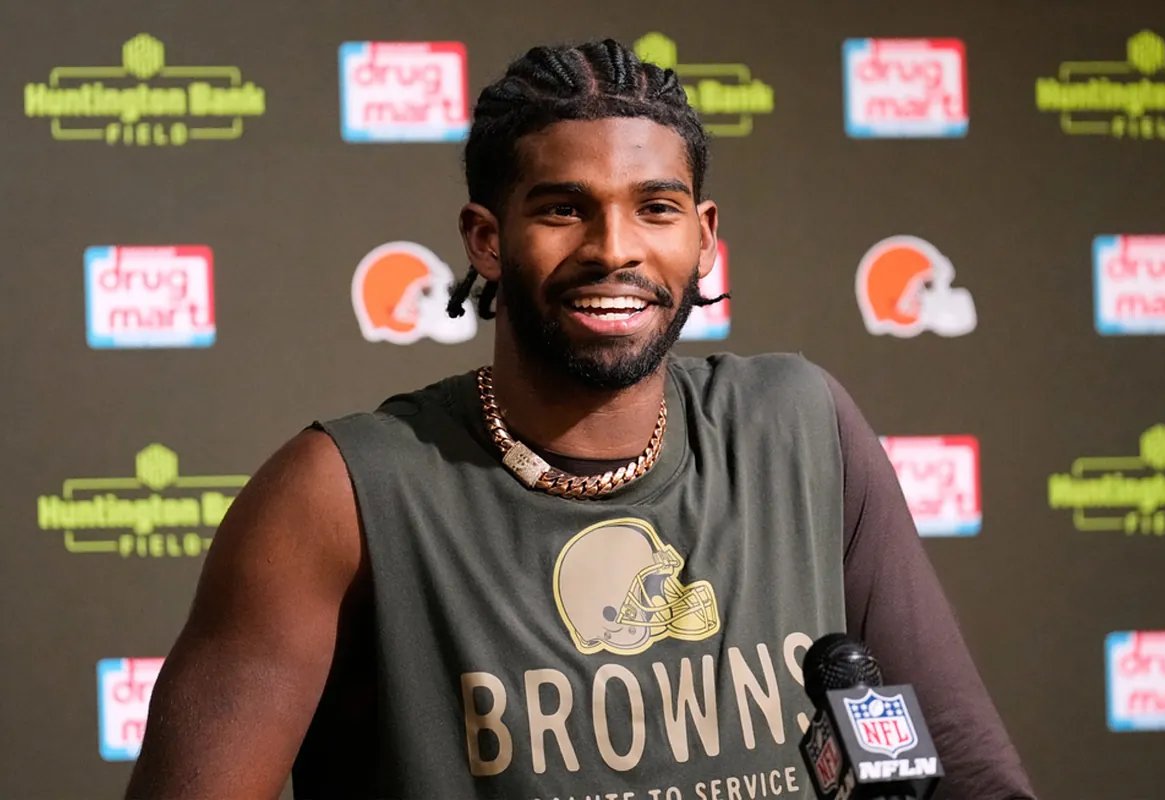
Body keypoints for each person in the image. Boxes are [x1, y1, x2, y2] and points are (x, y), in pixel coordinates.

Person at [127, 39, 1036, 800]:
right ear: (487, 238)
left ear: (704, 235)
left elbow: (970, 773)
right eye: (564, 209)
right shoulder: (339, 494)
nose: (614, 249)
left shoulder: (801, 426)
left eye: (657, 208)